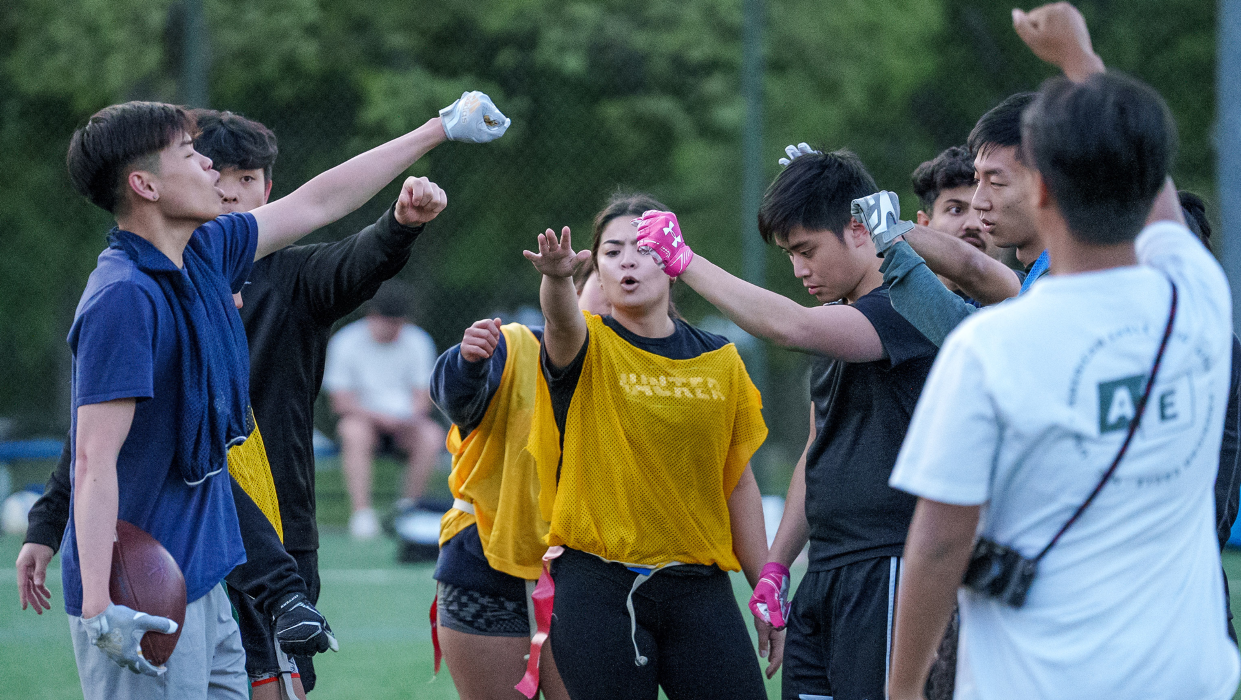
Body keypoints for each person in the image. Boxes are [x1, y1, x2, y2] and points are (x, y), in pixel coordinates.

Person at [59, 92, 505, 699]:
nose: (210, 169)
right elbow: (92, 461)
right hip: (142, 586)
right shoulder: (123, 297)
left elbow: (319, 200)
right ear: (145, 185)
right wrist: (96, 605)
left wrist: (437, 128)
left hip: (207, 579)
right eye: (191, 155)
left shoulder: (206, 256)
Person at [886, 16, 1240, 700]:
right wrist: (1079, 58)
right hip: (1185, 679)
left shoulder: (991, 347)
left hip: (1043, 682)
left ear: (1040, 189)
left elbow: (935, 546)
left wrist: (902, 692)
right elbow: (1153, 189)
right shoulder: (1197, 296)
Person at [634, 150, 940, 700]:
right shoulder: (840, 322)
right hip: (823, 572)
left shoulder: (908, 305)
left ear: (856, 229)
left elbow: (793, 326)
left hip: (886, 563)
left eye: (807, 250)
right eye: (790, 254)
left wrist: (685, 260)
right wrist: (776, 568)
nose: (799, 269)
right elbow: (817, 452)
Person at [518, 192, 771, 699]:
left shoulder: (720, 359)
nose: (628, 259)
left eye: (645, 247)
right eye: (612, 251)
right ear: (598, 271)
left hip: (699, 586)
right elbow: (561, 319)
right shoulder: (586, 343)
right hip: (597, 585)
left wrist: (766, 591)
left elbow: (738, 482)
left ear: (675, 263)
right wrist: (556, 277)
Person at [424, 265, 608, 700]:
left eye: (637, 260)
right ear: (572, 288)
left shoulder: (645, 369)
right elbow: (459, 402)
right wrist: (468, 362)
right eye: (611, 260)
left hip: (591, 575)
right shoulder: (516, 345)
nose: (624, 273)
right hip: (484, 565)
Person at [323, 281, 444, 540]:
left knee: (431, 436)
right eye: (388, 321)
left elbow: (424, 397)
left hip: (406, 425)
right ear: (372, 316)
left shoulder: (418, 341)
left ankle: (408, 512)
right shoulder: (345, 342)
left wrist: (409, 418)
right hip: (364, 421)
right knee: (352, 431)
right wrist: (380, 418)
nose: (393, 329)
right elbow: (340, 402)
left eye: (398, 322)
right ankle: (362, 514)